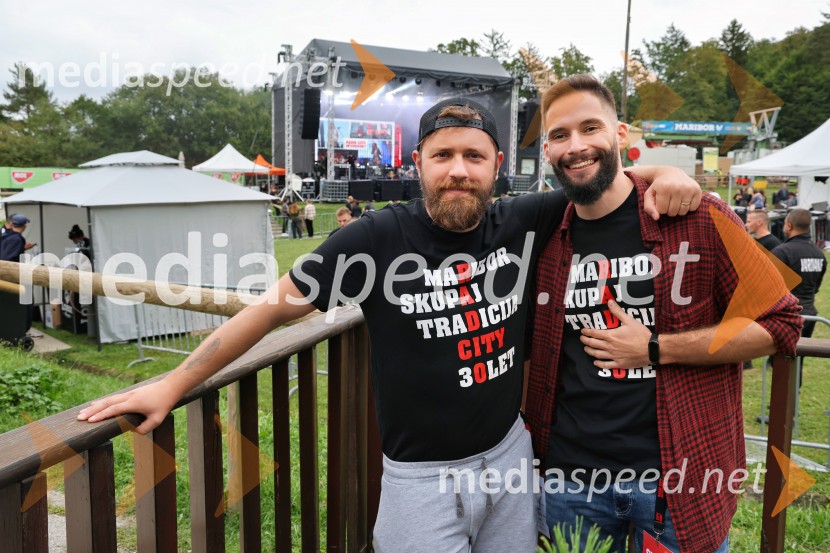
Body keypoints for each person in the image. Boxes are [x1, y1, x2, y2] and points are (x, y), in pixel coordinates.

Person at [77, 97, 701, 552]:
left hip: (512, 459)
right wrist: (173, 383)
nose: (459, 169)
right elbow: (268, 310)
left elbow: (599, 175)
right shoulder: (374, 240)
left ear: (498, 164)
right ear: (418, 163)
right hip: (420, 478)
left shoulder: (524, 220)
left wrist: (672, 174)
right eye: (443, 155)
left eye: (473, 156)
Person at [525, 74, 802, 553]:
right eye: (559, 135)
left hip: (681, 480)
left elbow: (781, 322)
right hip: (572, 482)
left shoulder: (699, 219)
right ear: (547, 149)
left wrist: (656, 349)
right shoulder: (543, 233)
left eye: (590, 128)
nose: (575, 145)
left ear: (620, 134)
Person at [771, 208, 826, 379]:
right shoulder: (819, 254)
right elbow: (816, 286)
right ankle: (792, 400)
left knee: (781, 362)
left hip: (787, 316)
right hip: (809, 313)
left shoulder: (782, 252)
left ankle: (782, 404)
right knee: (798, 359)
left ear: (788, 225)